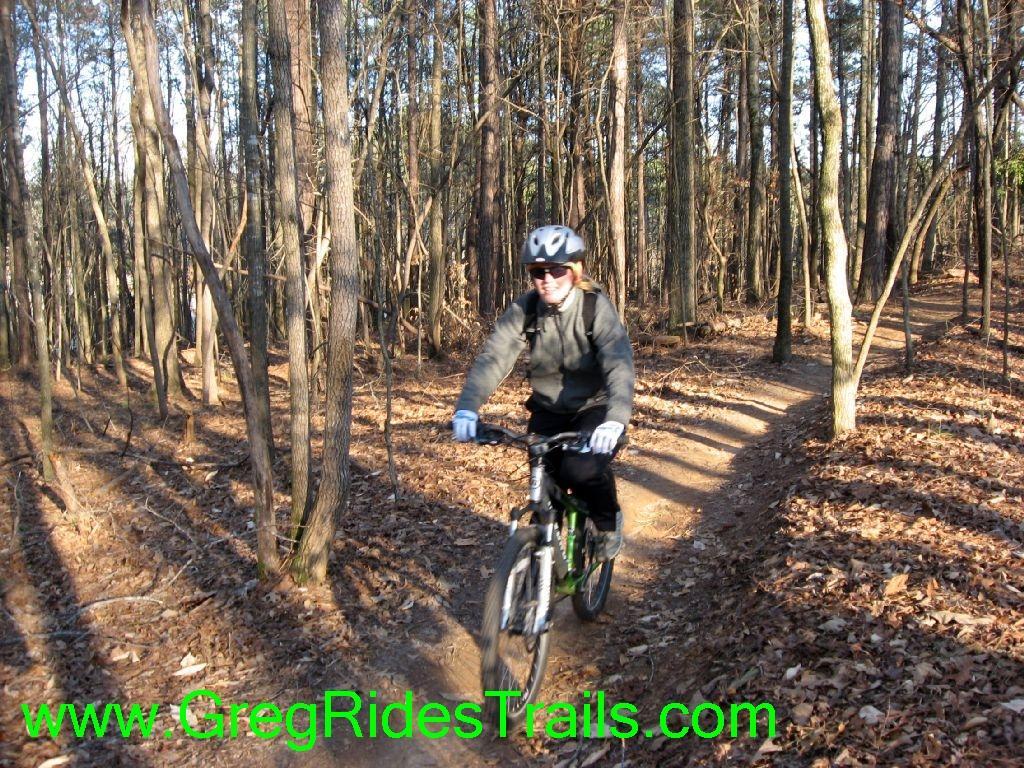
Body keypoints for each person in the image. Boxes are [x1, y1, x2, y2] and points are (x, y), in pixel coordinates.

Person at [452, 225, 635, 561]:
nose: (547, 279)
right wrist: (467, 409)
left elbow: (618, 364)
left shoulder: (595, 308)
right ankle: (538, 569)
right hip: (548, 410)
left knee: (580, 472)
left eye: (557, 270)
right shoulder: (526, 310)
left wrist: (615, 420)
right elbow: (494, 357)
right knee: (543, 488)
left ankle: (608, 522)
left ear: (575, 270)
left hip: (592, 408)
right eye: (538, 272)